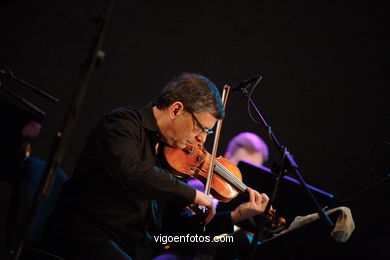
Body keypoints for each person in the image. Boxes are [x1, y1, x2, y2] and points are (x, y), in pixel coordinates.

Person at [44, 73, 270, 260]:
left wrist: (233, 217)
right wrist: (192, 194)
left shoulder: (173, 156)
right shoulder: (121, 124)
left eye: (208, 132)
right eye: (201, 128)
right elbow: (130, 170)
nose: (202, 140)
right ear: (175, 110)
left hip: (136, 247)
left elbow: (172, 228)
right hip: (88, 236)